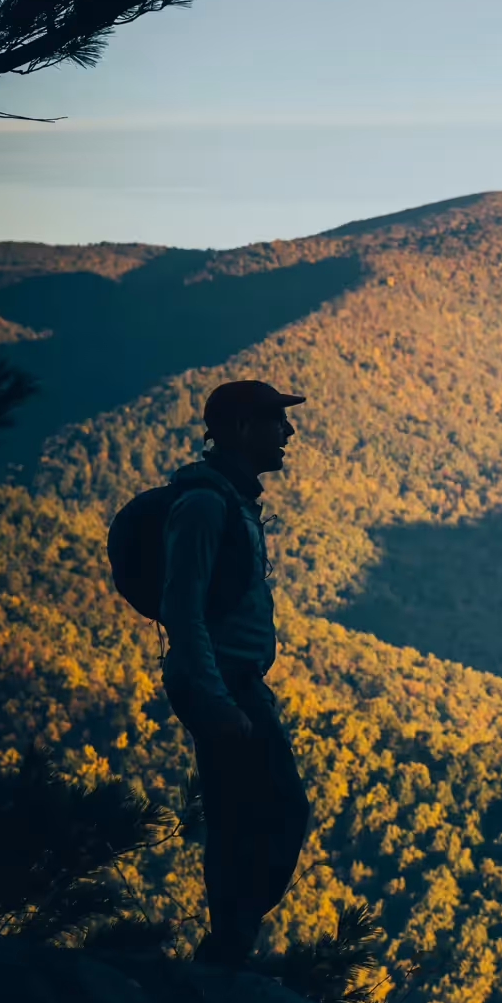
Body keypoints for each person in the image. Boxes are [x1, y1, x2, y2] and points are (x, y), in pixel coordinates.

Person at [160, 379, 311, 969]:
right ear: (244, 430)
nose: (287, 433)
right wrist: (216, 697)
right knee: (262, 812)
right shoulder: (205, 505)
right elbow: (181, 606)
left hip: (237, 679)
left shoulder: (231, 499)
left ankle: (229, 943)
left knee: (247, 813)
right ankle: (226, 950)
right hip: (221, 681)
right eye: (277, 421)